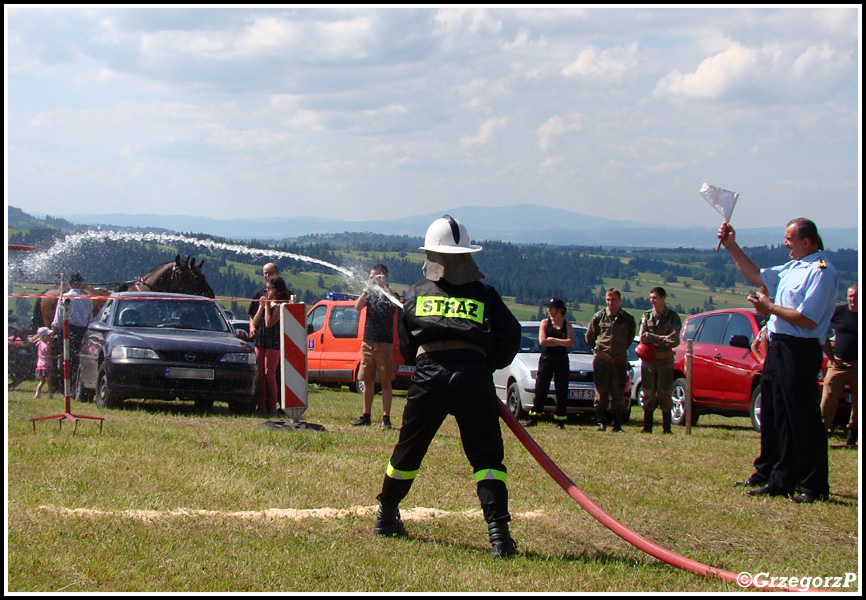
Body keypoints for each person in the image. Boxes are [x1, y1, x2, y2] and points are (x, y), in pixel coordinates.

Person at [373, 215, 522, 558]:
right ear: (467, 256)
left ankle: (385, 516)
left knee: (407, 453)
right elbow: (510, 336)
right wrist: (484, 364)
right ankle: (499, 537)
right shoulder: (485, 295)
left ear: (431, 257)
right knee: (487, 459)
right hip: (473, 377)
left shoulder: (415, 293)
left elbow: (407, 345)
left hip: (428, 377)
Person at [720, 218, 838, 503]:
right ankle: (775, 475)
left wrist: (769, 307)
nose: (785, 243)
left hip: (800, 348)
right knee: (774, 412)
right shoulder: (793, 267)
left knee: (801, 415)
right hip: (779, 346)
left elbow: (808, 318)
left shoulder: (821, 271)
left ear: (806, 242)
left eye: (789, 239)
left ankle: (813, 484)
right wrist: (731, 245)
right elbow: (756, 276)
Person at [353, 264, 398, 429]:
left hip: (384, 343)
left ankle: (386, 418)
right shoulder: (370, 294)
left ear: (384, 277)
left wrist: (384, 287)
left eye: (376, 277)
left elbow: (396, 304)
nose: (372, 279)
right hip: (368, 341)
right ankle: (366, 415)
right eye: (371, 276)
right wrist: (367, 287)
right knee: (367, 379)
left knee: (386, 381)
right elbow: (357, 306)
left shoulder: (390, 295)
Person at [586, 288, 637, 432]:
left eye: (613, 300)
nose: (610, 303)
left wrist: (618, 349)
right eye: (608, 300)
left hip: (619, 361)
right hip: (602, 360)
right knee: (601, 393)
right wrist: (600, 348)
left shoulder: (628, 319)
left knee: (618, 393)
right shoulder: (599, 317)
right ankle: (601, 422)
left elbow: (630, 338)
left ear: (619, 300)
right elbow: (590, 337)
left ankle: (617, 424)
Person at [522, 298, 574, 430]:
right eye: (549, 307)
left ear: (560, 310)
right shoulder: (545, 322)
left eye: (552, 307)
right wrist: (559, 341)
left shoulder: (567, 325)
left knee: (562, 389)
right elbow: (542, 341)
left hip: (561, 360)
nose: (549, 310)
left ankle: (560, 419)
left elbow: (570, 342)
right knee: (541, 388)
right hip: (547, 358)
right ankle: (534, 416)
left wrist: (554, 340)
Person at [638, 286, 681, 434]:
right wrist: (663, 338)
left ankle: (666, 428)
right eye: (650, 298)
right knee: (648, 392)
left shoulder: (673, 317)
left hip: (665, 362)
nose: (652, 301)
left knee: (665, 393)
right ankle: (647, 426)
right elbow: (643, 337)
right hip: (649, 361)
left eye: (655, 298)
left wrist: (654, 339)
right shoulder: (646, 316)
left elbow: (675, 340)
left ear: (663, 298)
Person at [820, 284, 858, 446]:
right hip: (838, 363)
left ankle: (853, 433)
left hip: (857, 367)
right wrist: (830, 355)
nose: (853, 299)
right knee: (828, 399)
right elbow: (821, 330)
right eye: (850, 296)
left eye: (856, 296)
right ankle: (822, 430)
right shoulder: (839, 312)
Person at [251, 276, 292, 417]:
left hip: (273, 342)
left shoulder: (280, 305)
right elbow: (256, 322)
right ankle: (261, 405)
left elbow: (269, 323)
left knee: (270, 374)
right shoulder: (265, 303)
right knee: (260, 374)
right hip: (260, 341)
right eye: (266, 288)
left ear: (277, 290)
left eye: (270, 288)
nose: (267, 291)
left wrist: (268, 306)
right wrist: (261, 308)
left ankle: (272, 405)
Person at [51, 272, 93, 386]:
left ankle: (64, 383)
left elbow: (59, 318)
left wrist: (54, 330)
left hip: (67, 331)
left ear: (69, 284)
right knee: (78, 360)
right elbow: (90, 319)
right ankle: (76, 384)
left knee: (66, 358)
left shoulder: (64, 298)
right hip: (82, 332)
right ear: (80, 284)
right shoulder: (88, 299)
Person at [248, 263, 281, 341]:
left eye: (270, 273)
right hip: (260, 339)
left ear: (277, 273)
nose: (267, 275)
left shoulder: (286, 295)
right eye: (265, 273)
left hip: (276, 340)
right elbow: (252, 316)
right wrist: (252, 327)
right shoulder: (258, 294)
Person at [32, 327, 58, 399]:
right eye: (48, 336)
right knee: (49, 381)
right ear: (43, 336)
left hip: (40, 365)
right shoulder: (46, 347)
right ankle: (50, 395)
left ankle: (37, 394)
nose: (50, 337)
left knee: (42, 381)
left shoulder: (39, 343)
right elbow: (49, 356)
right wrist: (57, 357)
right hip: (47, 365)